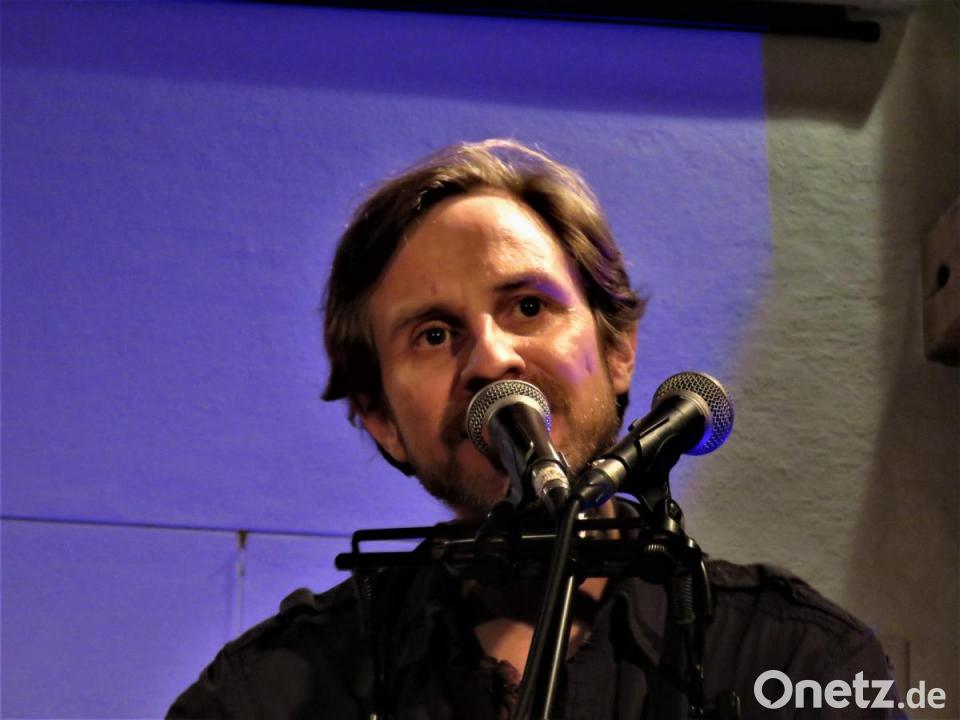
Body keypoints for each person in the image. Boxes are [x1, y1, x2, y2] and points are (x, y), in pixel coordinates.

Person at [168, 140, 900, 719]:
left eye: (527, 307)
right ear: (382, 420)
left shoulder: (796, 661)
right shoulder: (263, 697)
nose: (492, 358)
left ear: (617, 350)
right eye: (433, 334)